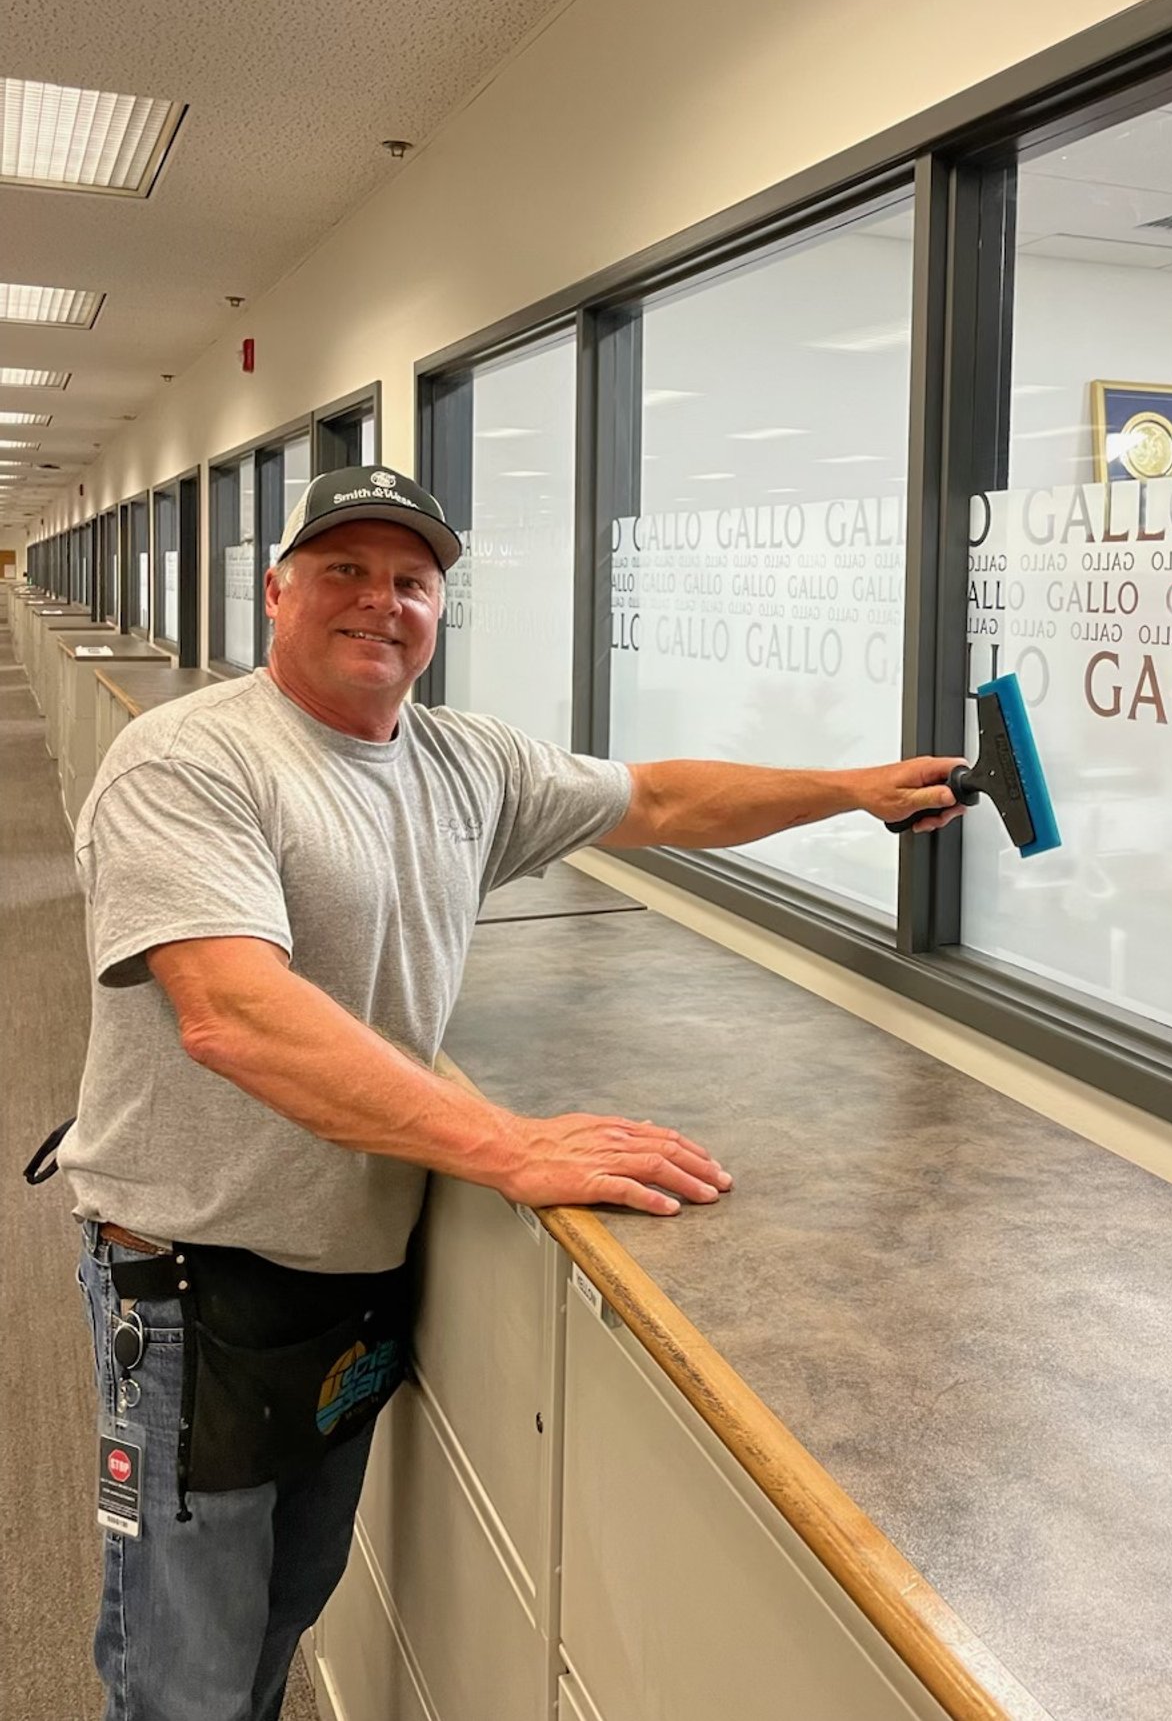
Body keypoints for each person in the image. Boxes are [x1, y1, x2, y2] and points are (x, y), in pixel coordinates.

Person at [41, 466, 963, 1721]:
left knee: (277, 1622)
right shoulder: (190, 761)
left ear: (438, 609)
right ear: (277, 592)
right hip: (191, 1276)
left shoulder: (463, 763)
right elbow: (230, 1012)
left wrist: (848, 792)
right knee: (182, 1676)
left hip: (342, 1268)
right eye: (344, 573)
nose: (381, 601)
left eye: (410, 581)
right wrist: (503, 1144)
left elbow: (663, 797)